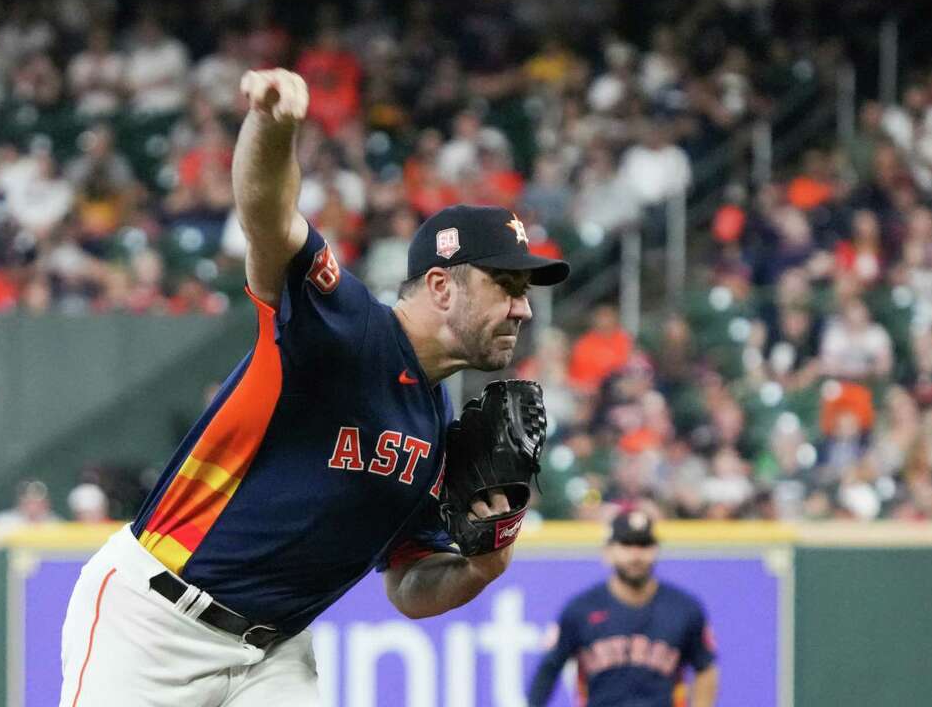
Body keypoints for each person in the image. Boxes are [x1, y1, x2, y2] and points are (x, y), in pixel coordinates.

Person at [59, 67, 569, 707]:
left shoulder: (439, 424)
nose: (523, 310)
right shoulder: (345, 328)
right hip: (156, 621)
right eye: (508, 287)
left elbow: (409, 585)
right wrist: (271, 127)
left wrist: (480, 567)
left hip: (276, 653)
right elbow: (269, 219)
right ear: (441, 286)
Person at [527, 509, 720, 706]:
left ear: (656, 550)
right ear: (608, 552)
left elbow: (705, 668)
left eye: (644, 544)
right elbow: (550, 668)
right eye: (626, 544)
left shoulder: (684, 608)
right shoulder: (580, 609)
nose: (636, 554)